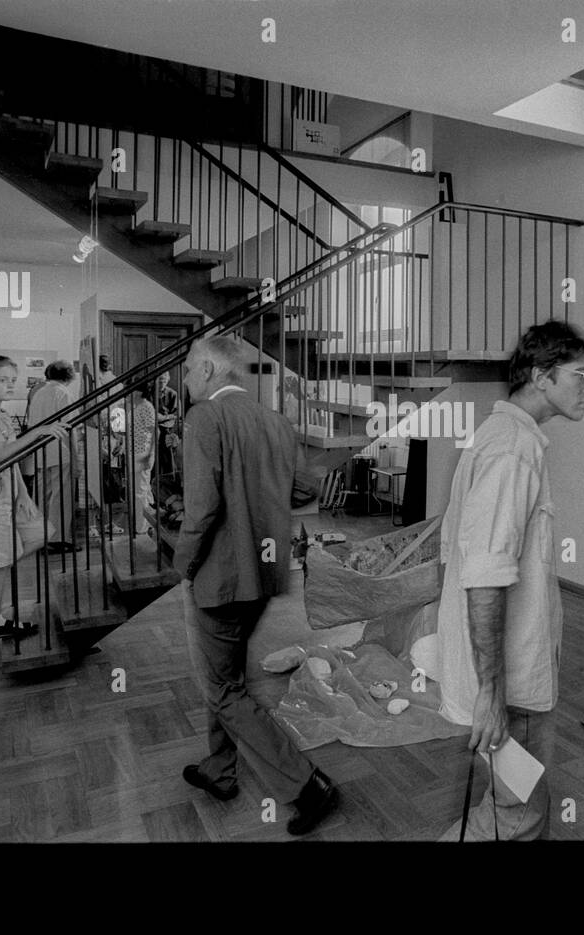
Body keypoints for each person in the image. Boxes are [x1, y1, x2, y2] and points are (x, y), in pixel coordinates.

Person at [432, 320, 584, 841]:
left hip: (510, 675)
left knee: (510, 800)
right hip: (512, 683)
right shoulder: (511, 449)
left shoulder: (510, 437)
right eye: (582, 375)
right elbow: (486, 577)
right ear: (540, 375)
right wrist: (492, 689)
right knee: (520, 813)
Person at [175, 335, 338, 836]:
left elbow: (201, 509)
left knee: (223, 688)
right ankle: (220, 771)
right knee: (223, 675)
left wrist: (181, 563)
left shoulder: (204, 418)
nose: (183, 380)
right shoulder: (275, 420)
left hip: (221, 577)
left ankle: (308, 786)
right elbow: (305, 488)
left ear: (206, 369)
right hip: (265, 575)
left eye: (186, 369)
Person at [0, 353, 67, 639]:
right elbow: (2, 453)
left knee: (44, 531)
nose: (10, 385)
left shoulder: (1, 414)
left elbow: (12, 461)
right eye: (3, 380)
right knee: (1, 564)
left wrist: (23, 494)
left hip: (8, 495)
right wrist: (39, 431)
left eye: (13, 381)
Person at [26, 360, 81, 552]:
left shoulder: (39, 392)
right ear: (68, 376)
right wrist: (76, 457)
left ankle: (41, 538)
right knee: (61, 497)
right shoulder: (63, 393)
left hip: (41, 451)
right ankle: (58, 540)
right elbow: (69, 428)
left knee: (42, 496)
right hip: (60, 451)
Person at [128, 381, 157, 536]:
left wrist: (149, 455)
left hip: (142, 453)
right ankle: (140, 524)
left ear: (138, 392)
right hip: (135, 452)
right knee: (139, 491)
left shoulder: (146, 407)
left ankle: (142, 526)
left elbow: (154, 432)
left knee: (140, 491)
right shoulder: (137, 407)